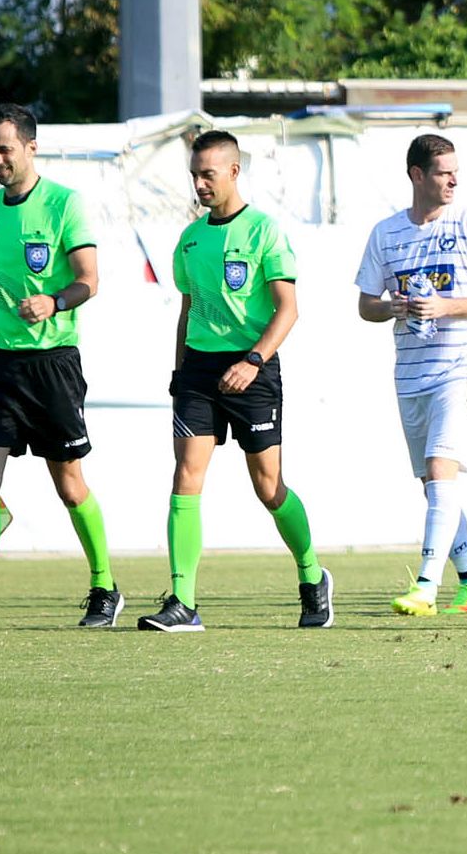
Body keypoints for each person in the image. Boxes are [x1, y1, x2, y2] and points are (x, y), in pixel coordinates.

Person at [0, 105, 118, 632]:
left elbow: (89, 280)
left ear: (31, 147)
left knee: (70, 484)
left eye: (5, 149)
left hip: (52, 365)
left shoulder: (65, 205)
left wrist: (55, 302)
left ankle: (104, 585)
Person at [137, 130, 331, 632]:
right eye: (194, 175)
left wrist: (254, 360)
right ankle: (182, 601)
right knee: (186, 475)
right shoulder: (191, 239)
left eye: (208, 174)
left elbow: (288, 309)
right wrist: (179, 373)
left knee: (268, 488)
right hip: (200, 371)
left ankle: (312, 576)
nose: (200, 184)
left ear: (233, 171)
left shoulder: (266, 231)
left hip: (253, 368)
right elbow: (187, 310)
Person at [355, 133, 467, 617]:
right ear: (416, 176)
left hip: (457, 369)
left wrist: (446, 306)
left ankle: (427, 586)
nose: (453, 179)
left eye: (456, 171)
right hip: (409, 375)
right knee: (434, 486)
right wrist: (393, 306)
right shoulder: (386, 233)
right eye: (442, 171)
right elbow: (366, 304)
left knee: (440, 471)